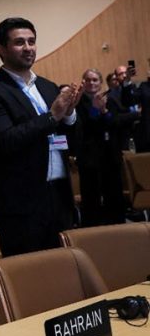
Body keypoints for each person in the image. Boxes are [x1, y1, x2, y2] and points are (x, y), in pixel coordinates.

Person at [0, 17, 81, 256]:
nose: (28, 48)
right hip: (21, 203)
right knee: (29, 278)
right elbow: (7, 141)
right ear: (2, 49)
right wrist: (52, 116)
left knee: (65, 271)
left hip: (58, 195)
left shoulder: (48, 86)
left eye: (32, 41)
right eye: (19, 42)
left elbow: (71, 143)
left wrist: (70, 115)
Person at [73, 68, 134, 226]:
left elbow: (115, 123)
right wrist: (94, 109)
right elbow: (83, 127)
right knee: (91, 196)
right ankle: (92, 230)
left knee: (114, 193)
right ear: (83, 82)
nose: (91, 83)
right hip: (89, 157)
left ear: (100, 83)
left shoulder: (110, 99)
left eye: (95, 80)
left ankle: (117, 226)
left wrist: (103, 110)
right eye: (88, 80)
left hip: (110, 154)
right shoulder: (78, 103)